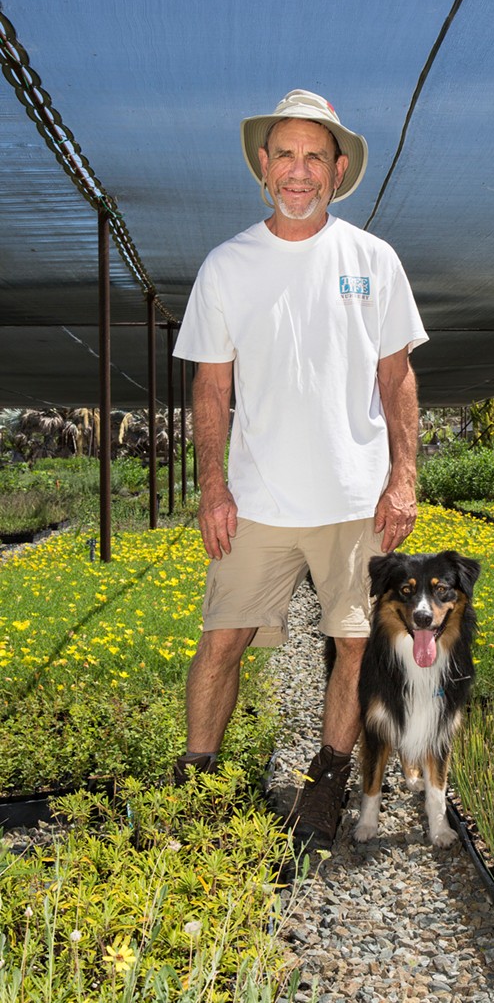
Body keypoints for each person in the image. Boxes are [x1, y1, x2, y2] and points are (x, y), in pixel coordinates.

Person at [172, 89, 428, 853]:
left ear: (336, 168)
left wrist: (402, 476)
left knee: (354, 643)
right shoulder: (228, 265)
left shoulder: (371, 260)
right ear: (262, 163)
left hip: (352, 498)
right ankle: (198, 781)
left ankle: (324, 785)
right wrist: (213, 488)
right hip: (256, 501)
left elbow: (397, 378)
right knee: (221, 640)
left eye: (314, 155)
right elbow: (211, 387)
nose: (298, 169)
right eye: (284, 153)